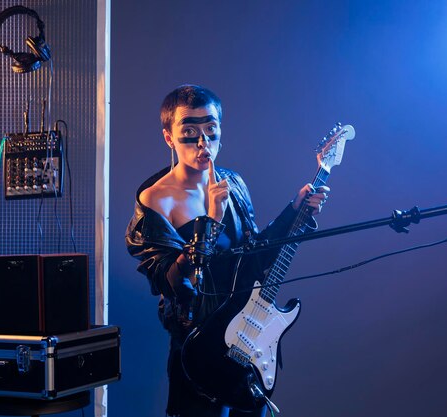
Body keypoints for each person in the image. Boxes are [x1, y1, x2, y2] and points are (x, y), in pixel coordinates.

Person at [125, 84, 329, 417]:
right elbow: (171, 283)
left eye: (211, 130)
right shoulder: (155, 199)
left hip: (248, 336)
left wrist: (294, 210)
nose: (203, 142)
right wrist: (209, 220)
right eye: (190, 131)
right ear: (169, 137)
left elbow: (255, 260)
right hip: (200, 346)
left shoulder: (233, 183)